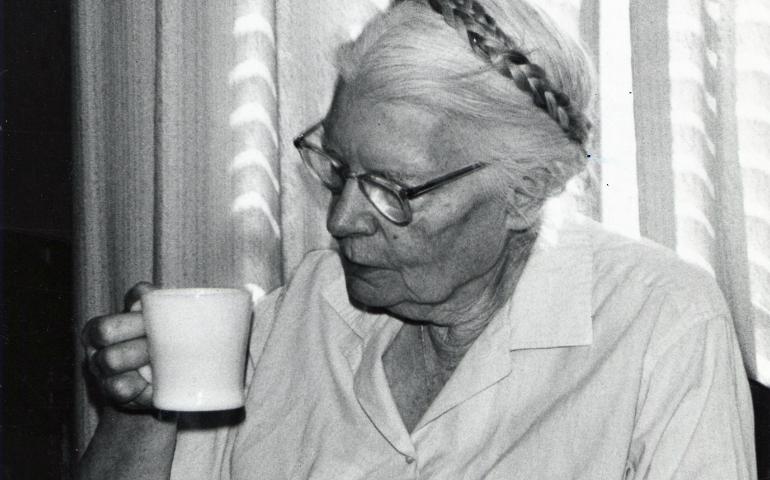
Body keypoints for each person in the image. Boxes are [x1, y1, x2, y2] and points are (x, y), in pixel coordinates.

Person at [78, 0, 757, 478]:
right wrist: (141, 411)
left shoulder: (659, 325)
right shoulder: (308, 309)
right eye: (337, 169)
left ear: (526, 190)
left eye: (393, 190)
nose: (341, 221)